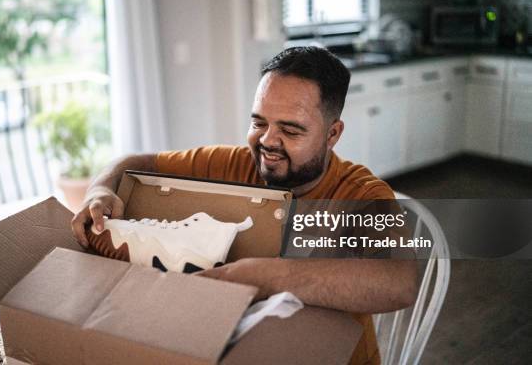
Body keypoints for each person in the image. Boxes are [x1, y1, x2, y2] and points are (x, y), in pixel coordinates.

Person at [71, 46, 417, 364]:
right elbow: (135, 162)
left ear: (332, 134)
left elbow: (399, 282)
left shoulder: (360, 195)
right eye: (258, 122)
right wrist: (99, 190)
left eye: (291, 130)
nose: (267, 141)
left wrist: (264, 276)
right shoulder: (232, 164)